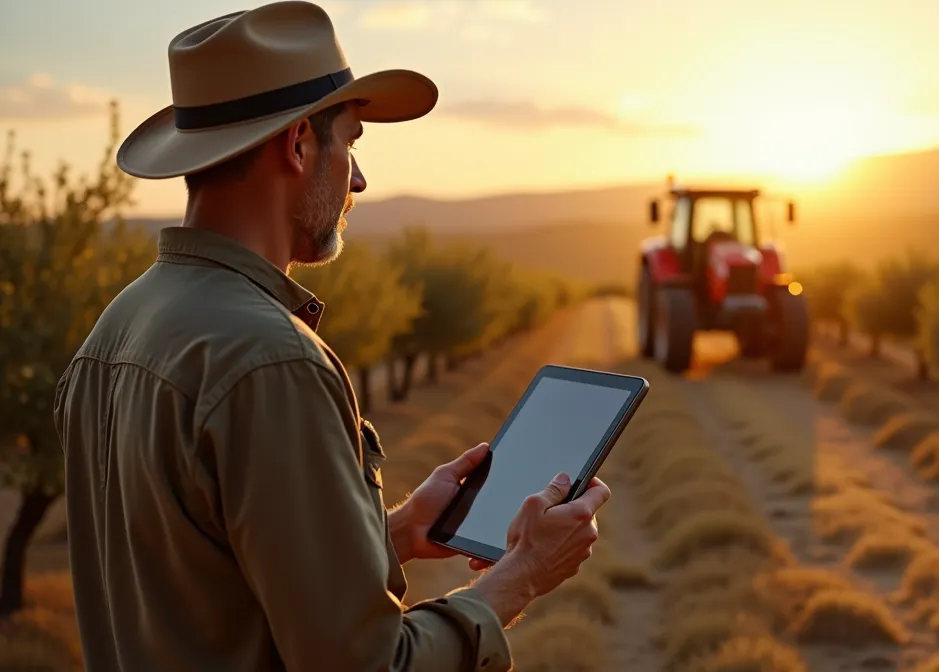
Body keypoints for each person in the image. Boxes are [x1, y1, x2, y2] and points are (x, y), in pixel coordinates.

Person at [50, 2, 610, 671]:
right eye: (350, 143)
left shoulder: (114, 330)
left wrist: (400, 530)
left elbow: (202, 587)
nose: (360, 180)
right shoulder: (271, 360)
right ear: (298, 145)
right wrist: (521, 574)